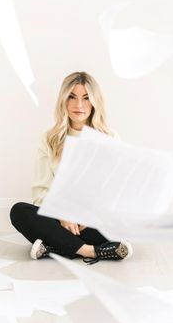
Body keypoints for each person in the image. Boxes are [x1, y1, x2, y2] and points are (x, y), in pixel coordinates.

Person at [10, 71, 133, 264]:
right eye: (72, 97)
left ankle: (55, 247)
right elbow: (41, 193)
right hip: (59, 219)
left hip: (93, 221)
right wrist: (62, 214)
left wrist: (85, 216)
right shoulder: (50, 139)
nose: (79, 105)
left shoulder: (110, 138)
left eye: (86, 98)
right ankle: (91, 251)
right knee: (19, 212)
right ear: (63, 101)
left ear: (94, 102)